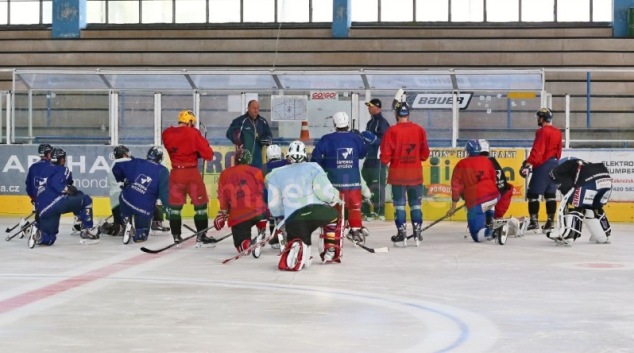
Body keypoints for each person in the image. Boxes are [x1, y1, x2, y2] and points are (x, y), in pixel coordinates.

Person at [266, 141, 343, 271]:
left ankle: (298, 245)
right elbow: (325, 194)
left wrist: (280, 218)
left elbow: (274, 205)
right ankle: (330, 248)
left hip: (293, 218)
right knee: (334, 215)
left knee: (298, 238)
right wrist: (337, 199)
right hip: (315, 212)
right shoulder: (314, 168)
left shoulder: (274, 175)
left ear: (287, 156)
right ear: (305, 155)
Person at [311, 111, 368, 243]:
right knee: (354, 207)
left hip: (333, 182)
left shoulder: (326, 139)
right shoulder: (355, 138)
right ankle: (355, 230)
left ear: (334, 123)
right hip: (353, 180)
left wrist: (325, 166)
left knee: (334, 207)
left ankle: (334, 233)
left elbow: (316, 158)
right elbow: (362, 154)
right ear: (347, 123)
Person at [379, 100, 429, 247]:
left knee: (399, 206)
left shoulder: (391, 131)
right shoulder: (419, 130)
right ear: (408, 113)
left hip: (398, 175)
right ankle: (417, 233)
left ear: (395, 114)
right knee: (416, 205)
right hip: (415, 175)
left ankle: (402, 234)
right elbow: (425, 155)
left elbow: (385, 157)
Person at [162, 109, 214, 244]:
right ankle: (201, 236)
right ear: (189, 121)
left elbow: (177, 147)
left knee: (175, 208)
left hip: (175, 173)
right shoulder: (193, 133)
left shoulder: (166, 133)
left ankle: (176, 236)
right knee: (200, 206)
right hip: (191, 173)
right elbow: (208, 154)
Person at [29, 148, 98, 247]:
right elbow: (56, 184)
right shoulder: (63, 169)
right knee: (86, 199)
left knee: (49, 239)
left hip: (43, 209)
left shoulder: (44, 170)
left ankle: (38, 235)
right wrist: (68, 189)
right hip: (56, 202)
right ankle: (87, 229)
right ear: (61, 160)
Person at [545, 157, 612, 246]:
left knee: (574, 207)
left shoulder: (565, 165)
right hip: (606, 182)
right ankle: (604, 235)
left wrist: (570, 197)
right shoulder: (585, 164)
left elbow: (554, 174)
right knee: (594, 208)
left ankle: (568, 236)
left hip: (589, 183)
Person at [213, 148, 268, 254]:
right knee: (261, 208)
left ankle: (250, 244)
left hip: (239, 215)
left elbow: (222, 196)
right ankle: (262, 231)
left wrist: (223, 213)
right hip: (258, 211)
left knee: (241, 246)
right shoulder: (257, 171)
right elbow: (261, 192)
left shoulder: (224, 174)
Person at [447, 140, 502, 243]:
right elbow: (493, 179)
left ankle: (494, 232)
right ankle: (489, 221)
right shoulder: (487, 161)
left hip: (477, 202)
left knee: (477, 235)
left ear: (467, 151)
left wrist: (453, 207)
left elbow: (456, 187)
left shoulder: (461, 164)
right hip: (495, 197)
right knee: (486, 204)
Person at [112, 146, 170, 243]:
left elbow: (117, 167)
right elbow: (164, 193)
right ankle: (137, 233)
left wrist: (123, 179)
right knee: (141, 237)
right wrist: (168, 209)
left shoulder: (137, 162)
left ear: (147, 155)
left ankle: (127, 223)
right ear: (160, 158)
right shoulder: (163, 170)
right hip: (143, 207)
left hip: (126, 200)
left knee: (124, 198)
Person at [519, 108, 562, 233]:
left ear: (542, 118)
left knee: (533, 194)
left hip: (543, 165)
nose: (538, 119)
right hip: (555, 164)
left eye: (539, 117)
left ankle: (534, 222)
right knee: (550, 194)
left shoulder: (541, 132)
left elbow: (538, 150)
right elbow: (559, 150)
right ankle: (550, 222)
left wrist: (527, 164)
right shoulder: (558, 132)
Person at [361, 98, 390, 221]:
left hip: (378, 159)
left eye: (370, 106)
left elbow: (386, 141)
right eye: (368, 106)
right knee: (365, 184)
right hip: (369, 158)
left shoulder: (382, 123)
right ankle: (367, 211)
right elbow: (367, 139)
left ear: (377, 108)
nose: (368, 108)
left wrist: (374, 140)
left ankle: (380, 212)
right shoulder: (370, 122)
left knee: (378, 185)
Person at [225, 100, 273, 169]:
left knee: (256, 178)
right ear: (248, 108)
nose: (256, 110)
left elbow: (269, 136)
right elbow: (229, 133)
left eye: (257, 108)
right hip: (243, 159)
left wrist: (266, 140)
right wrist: (238, 141)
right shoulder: (240, 121)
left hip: (258, 160)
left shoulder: (263, 122)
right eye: (254, 108)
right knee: (244, 178)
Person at [101, 145, 132, 237]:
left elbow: (108, 183)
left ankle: (106, 228)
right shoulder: (128, 161)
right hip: (125, 197)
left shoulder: (112, 165)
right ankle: (156, 223)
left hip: (114, 201)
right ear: (124, 154)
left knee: (119, 226)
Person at [263, 144, 288, 248]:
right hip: (286, 196)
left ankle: (275, 237)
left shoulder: (263, 167)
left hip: (271, 198)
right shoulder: (287, 163)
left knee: (274, 216)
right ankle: (285, 237)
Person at [25, 144, 53, 232]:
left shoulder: (33, 167)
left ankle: (27, 226)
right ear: (48, 154)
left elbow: (28, 185)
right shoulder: (53, 167)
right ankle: (78, 223)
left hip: (37, 201)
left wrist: (34, 199)